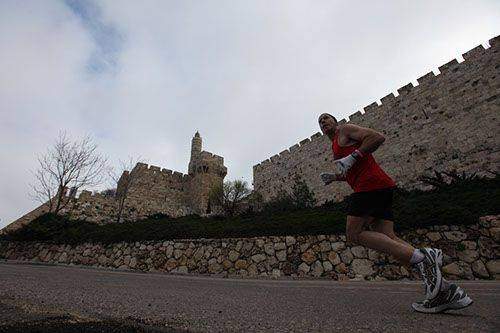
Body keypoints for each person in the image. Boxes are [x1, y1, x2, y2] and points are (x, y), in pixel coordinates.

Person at [317, 113, 472, 313]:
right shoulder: (335, 146)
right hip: (377, 187)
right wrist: (336, 177)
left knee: (353, 234)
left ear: (335, 121)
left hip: (370, 187)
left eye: (326, 118)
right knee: (388, 238)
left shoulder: (345, 131)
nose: (323, 122)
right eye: (320, 122)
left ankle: (425, 256)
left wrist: (354, 155)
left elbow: (377, 137)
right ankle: (444, 290)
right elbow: (353, 170)